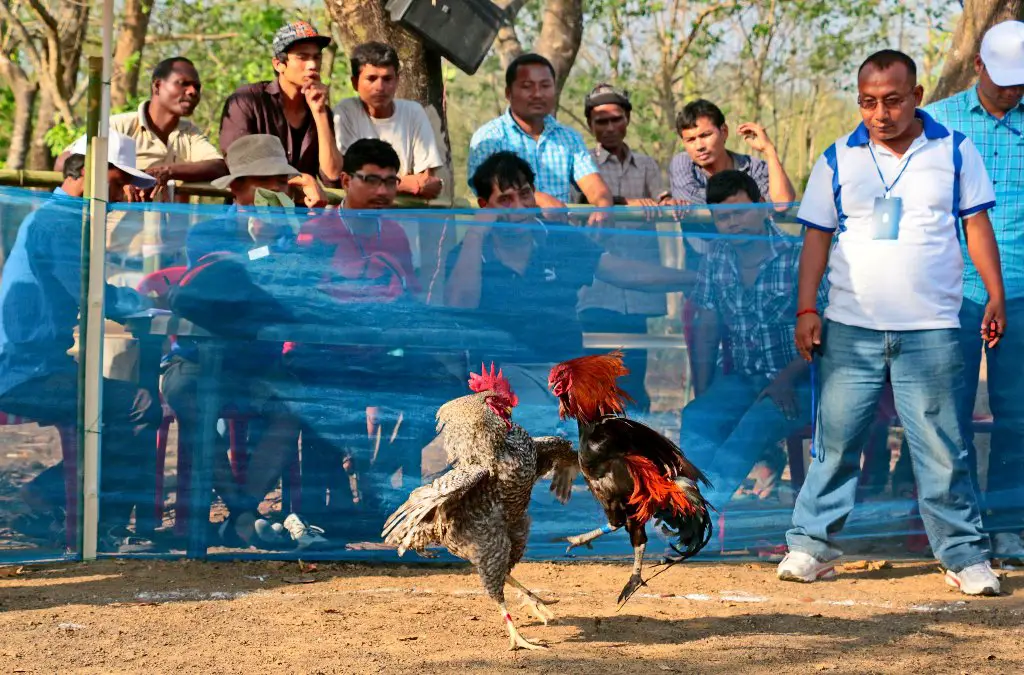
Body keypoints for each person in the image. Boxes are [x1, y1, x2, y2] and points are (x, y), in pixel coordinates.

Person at [779, 50, 1005, 596]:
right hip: (849, 329)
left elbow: (976, 226)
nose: (880, 113)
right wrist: (807, 309)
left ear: (918, 96)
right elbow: (816, 240)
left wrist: (994, 293)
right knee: (835, 442)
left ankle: (962, 555)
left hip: (932, 330)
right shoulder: (837, 158)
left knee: (943, 446)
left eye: (893, 100)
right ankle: (811, 546)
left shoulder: (955, 151)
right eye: (868, 102)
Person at [160, 134, 330, 549]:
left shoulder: (295, 236)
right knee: (187, 394)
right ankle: (244, 513)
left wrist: (307, 225)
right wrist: (262, 250)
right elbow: (229, 282)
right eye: (262, 182)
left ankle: (240, 513)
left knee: (294, 405)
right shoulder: (206, 233)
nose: (273, 192)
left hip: (258, 365)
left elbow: (302, 293)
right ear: (237, 188)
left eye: (279, 182)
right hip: (198, 360)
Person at [446, 151, 693, 433]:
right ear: (484, 205)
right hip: (505, 375)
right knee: (536, 430)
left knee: (618, 432)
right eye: (505, 200)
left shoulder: (559, 239)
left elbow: (622, 272)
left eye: (525, 195)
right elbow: (459, 305)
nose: (519, 207)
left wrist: (692, 278)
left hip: (568, 370)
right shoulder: (470, 252)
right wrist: (476, 233)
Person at [0, 132, 163, 553]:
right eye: (117, 180)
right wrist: (156, 301)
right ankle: (86, 519)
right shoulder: (61, 221)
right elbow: (94, 295)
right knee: (140, 405)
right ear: (90, 173)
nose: (123, 192)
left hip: (35, 363)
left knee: (121, 406)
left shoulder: (62, 215)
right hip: (25, 370)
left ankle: (52, 502)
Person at [284, 139, 459, 528]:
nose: (382, 191)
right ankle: (327, 516)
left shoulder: (395, 233)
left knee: (443, 389)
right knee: (325, 399)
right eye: (371, 181)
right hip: (321, 354)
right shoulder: (316, 231)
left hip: (378, 353)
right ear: (345, 180)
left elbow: (408, 299)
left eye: (390, 182)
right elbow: (302, 304)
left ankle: (382, 483)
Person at [925, 20, 1024, 565]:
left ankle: (1009, 525)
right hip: (951, 292)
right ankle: (957, 534)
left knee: (1017, 415)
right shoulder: (937, 123)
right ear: (979, 66)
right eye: (1005, 79)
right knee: (947, 416)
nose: (1013, 91)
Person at [681, 170, 824, 512]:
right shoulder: (716, 257)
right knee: (697, 417)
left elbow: (824, 323)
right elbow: (707, 328)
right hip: (744, 379)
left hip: (801, 380)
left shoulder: (797, 253)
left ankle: (698, 513)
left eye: (740, 212)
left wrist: (787, 378)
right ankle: (690, 507)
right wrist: (705, 393)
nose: (732, 223)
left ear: (761, 207)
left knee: (757, 422)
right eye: (722, 217)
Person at [573, 83, 681, 410]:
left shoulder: (647, 165)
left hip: (638, 293)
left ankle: (637, 452)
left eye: (615, 120)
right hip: (595, 290)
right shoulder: (582, 163)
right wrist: (626, 203)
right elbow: (578, 202)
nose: (608, 128)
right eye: (600, 122)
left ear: (628, 119)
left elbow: (661, 198)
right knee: (597, 379)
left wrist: (667, 202)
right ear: (590, 126)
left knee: (634, 376)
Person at [467, 54, 613, 208]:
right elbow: (485, 192)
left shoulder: (570, 138)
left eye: (545, 86)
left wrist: (603, 205)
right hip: (509, 231)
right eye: (527, 86)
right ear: (508, 93)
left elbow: (593, 186)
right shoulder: (489, 138)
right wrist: (537, 199)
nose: (537, 94)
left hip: (560, 231)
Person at [219, 20, 341, 186]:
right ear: (278, 64)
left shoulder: (321, 110)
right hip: (250, 208)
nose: (312, 65)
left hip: (301, 212)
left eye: (316, 57)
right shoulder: (246, 100)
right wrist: (299, 181)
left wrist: (319, 113)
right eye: (302, 57)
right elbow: (240, 165)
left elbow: (332, 176)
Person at [332, 42, 444, 201]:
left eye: (387, 79)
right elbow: (350, 179)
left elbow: (428, 181)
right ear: (355, 83)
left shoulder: (413, 112)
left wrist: (371, 181)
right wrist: (410, 184)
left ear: (397, 80)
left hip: (405, 220)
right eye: (371, 79)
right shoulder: (345, 111)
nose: (380, 87)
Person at [669, 99, 796, 206]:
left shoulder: (753, 167)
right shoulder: (683, 163)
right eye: (690, 140)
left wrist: (769, 151)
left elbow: (782, 204)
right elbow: (689, 201)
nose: (699, 146)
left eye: (705, 135)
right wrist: (747, 203)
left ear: (724, 131)